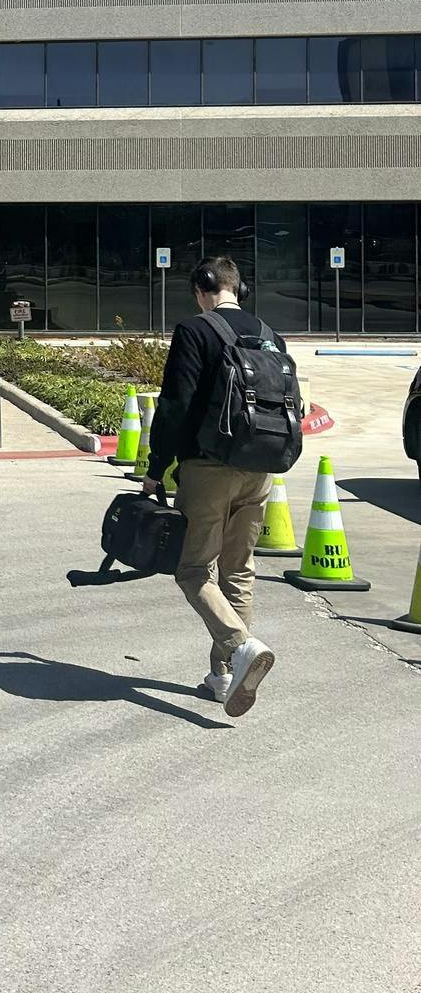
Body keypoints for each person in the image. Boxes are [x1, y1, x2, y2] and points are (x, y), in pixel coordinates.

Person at [143, 256, 280, 719]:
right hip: (260, 468)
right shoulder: (269, 334)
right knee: (238, 571)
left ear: (203, 287)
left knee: (194, 570)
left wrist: (156, 465)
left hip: (208, 469)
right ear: (237, 287)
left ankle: (240, 646)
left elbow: (175, 405)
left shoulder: (194, 331)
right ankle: (223, 675)